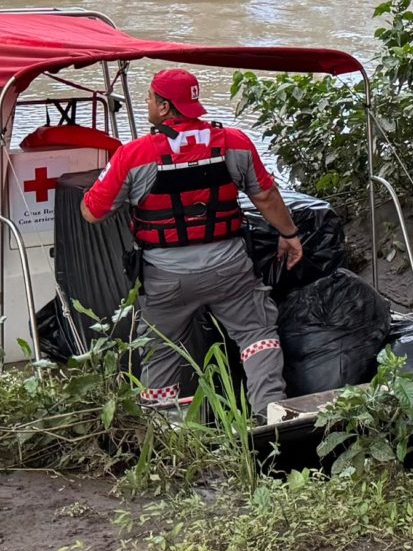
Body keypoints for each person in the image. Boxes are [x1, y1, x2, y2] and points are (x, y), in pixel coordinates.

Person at [82, 66, 305, 413]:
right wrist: (289, 235)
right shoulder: (235, 142)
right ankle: (272, 415)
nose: (147, 102)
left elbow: (93, 212)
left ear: (166, 107)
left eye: (151, 98)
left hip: (165, 277)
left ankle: (166, 426)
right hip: (229, 269)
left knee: (161, 347)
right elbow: (266, 197)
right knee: (257, 335)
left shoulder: (134, 155)